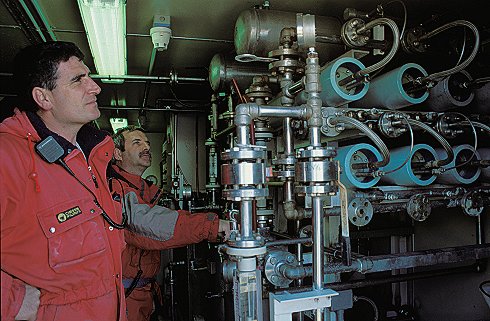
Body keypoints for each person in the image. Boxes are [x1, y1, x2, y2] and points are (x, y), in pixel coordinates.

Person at [0, 41, 127, 321]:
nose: (94, 87)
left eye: (89, 77)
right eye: (77, 80)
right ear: (43, 98)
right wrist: (11, 300)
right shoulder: (8, 155)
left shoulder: (92, 157)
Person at [108, 125, 230, 321]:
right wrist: (211, 226)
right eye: (137, 143)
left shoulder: (144, 189)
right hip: (123, 296)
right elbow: (147, 225)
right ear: (118, 154)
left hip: (142, 291)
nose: (146, 147)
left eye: (147, 142)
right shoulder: (116, 189)